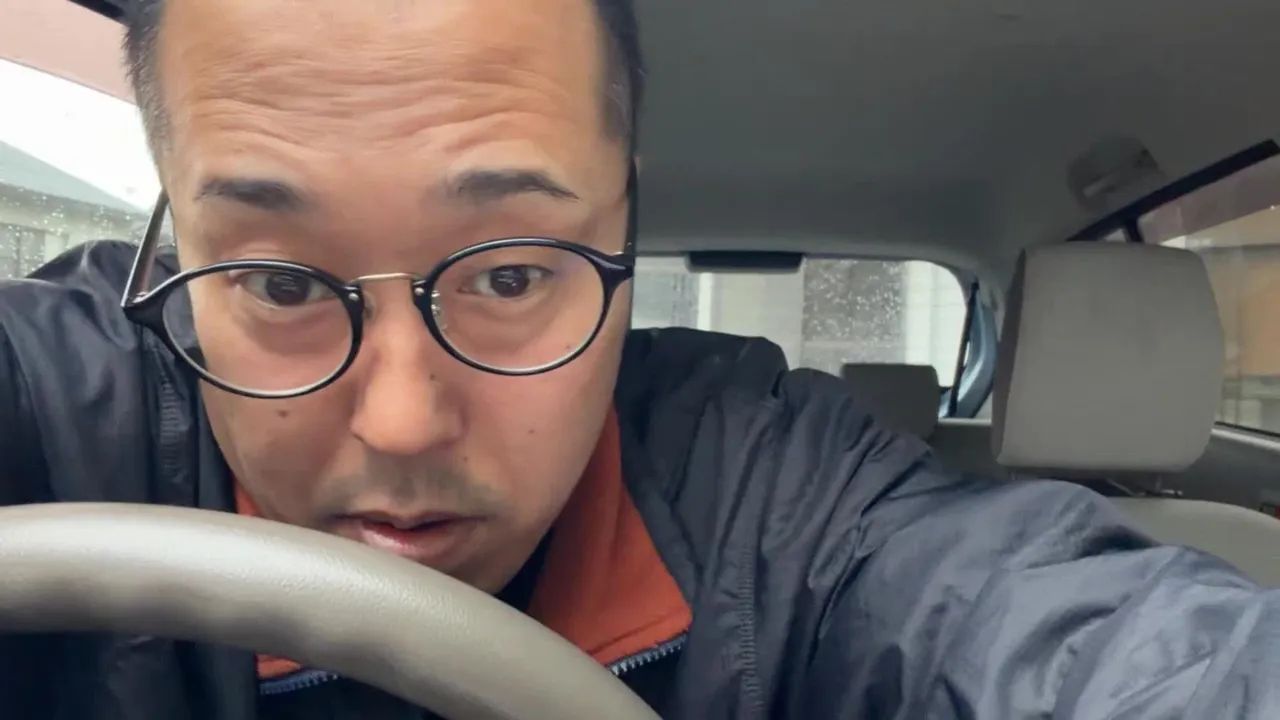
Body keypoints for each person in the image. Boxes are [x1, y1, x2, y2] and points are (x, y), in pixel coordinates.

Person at [2, 0, 1280, 717]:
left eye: (510, 275)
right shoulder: (62, 414)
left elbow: (1082, 648)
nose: (399, 422)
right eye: (280, 284)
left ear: (623, 235)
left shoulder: (774, 493)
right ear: (172, 246)